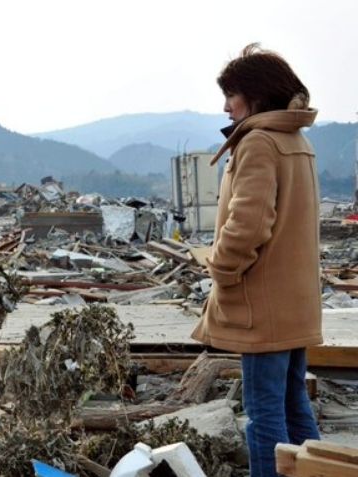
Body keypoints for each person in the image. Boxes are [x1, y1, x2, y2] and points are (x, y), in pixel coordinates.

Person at [191, 43, 321, 477]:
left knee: (264, 413)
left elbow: (248, 224)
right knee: (292, 403)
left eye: (232, 95)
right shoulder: (294, 139)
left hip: (260, 306)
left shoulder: (259, 142)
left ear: (257, 95)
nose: (226, 106)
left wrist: (222, 271)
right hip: (292, 301)